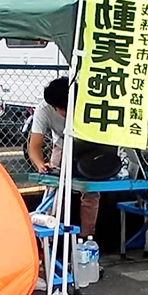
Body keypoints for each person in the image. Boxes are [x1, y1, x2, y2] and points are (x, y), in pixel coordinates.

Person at [28, 76, 101, 237]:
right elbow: (34, 145)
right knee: (53, 184)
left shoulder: (87, 103)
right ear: (53, 106)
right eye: (64, 109)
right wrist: (40, 164)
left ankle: (86, 236)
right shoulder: (43, 110)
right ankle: (50, 233)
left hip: (89, 148)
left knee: (91, 190)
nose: (69, 112)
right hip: (61, 146)